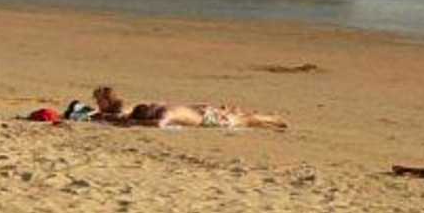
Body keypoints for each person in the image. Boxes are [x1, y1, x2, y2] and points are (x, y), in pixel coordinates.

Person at [91, 86, 285, 130]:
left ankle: (271, 119)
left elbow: (159, 124)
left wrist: (134, 123)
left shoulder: (166, 114)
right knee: (242, 118)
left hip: (207, 119)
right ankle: (268, 118)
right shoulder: (161, 108)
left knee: (243, 121)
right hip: (200, 112)